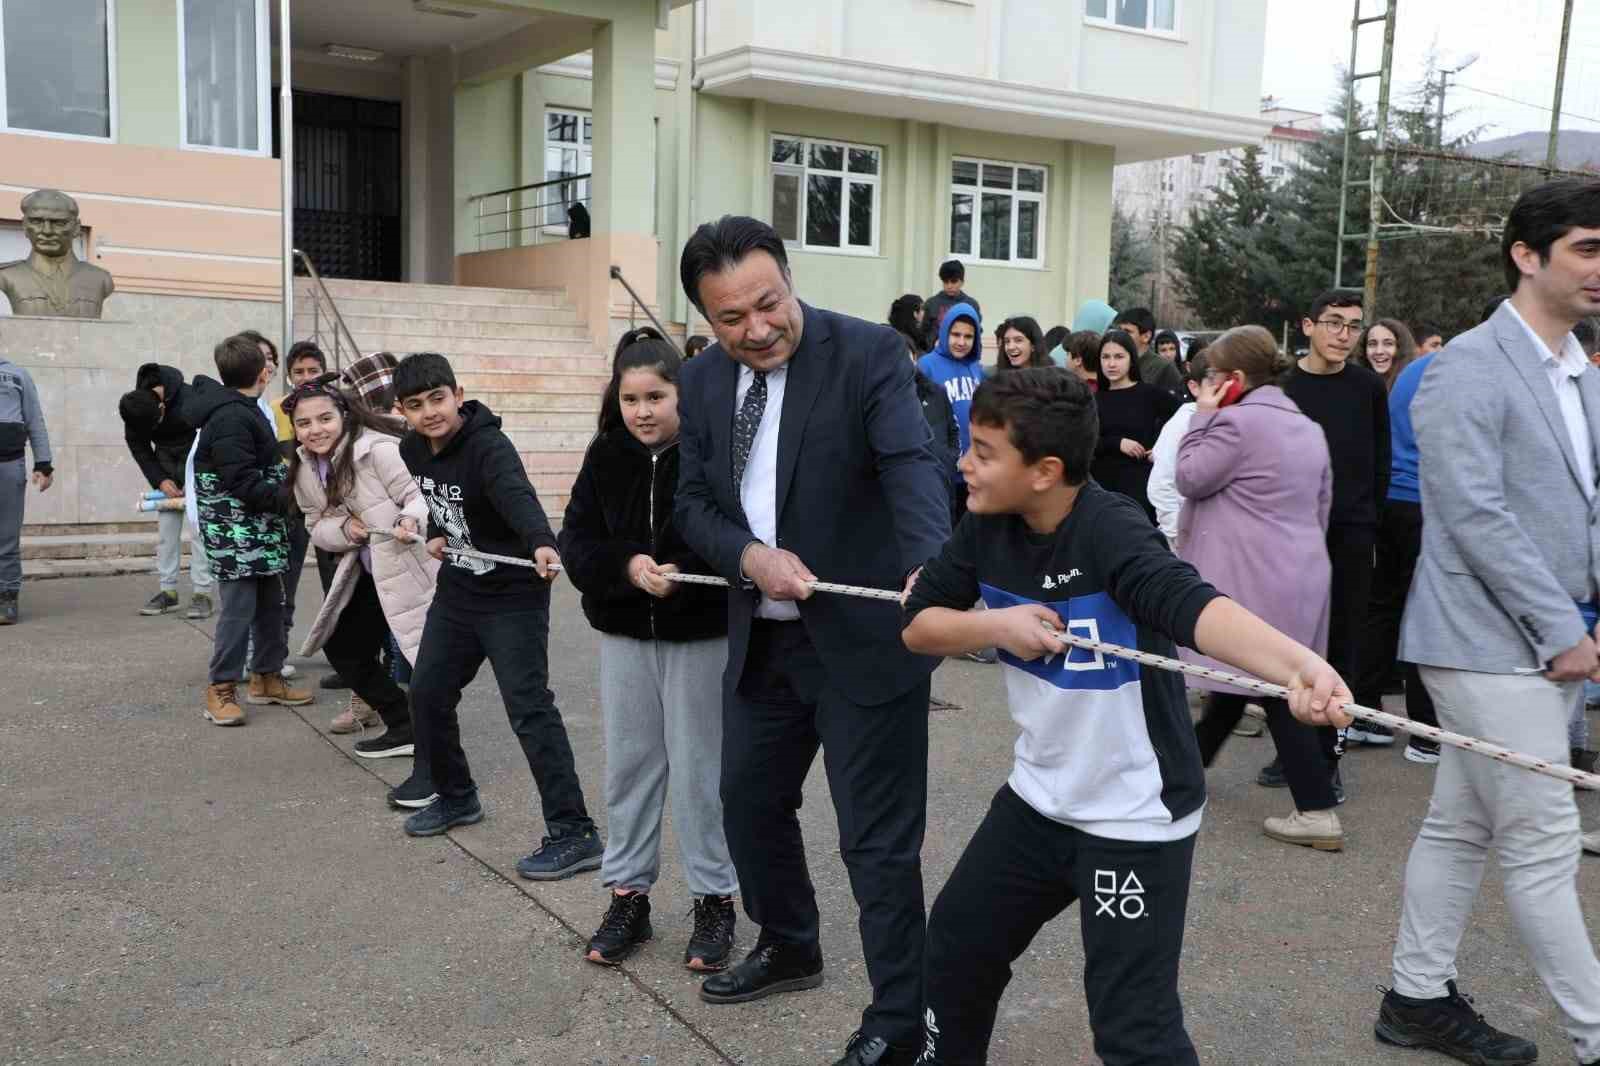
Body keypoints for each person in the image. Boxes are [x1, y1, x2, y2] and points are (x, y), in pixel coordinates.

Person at [903, 368, 1349, 1066]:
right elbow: (919, 624)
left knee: (1132, 1027)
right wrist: (998, 628)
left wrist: (1299, 667)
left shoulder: (1110, 528)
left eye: (984, 451)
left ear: (1045, 470)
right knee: (956, 949)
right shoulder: (983, 524)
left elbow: (1194, 606)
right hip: (1038, 800)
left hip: (1134, 816)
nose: (964, 463)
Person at [673, 216, 949, 1066]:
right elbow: (692, 505)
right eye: (731, 318)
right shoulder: (704, 382)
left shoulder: (868, 355)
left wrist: (929, 567)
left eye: (768, 304)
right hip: (765, 641)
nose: (756, 330)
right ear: (707, 319)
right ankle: (790, 941)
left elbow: (912, 466)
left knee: (876, 845)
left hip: (865, 645)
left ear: (790, 281)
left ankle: (904, 1024)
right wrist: (749, 556)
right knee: (749, 804)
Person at [1377, 179, 1600, 1066]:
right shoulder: (1466, 365)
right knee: (1545, 839)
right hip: (1479, 640)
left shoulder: (1581, 369)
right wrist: (1560, 629)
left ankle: (1415, 996)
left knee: (1460, 825)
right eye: (1587, 248)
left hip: (1546, 642)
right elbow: (1472, 515)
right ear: (1526, 254)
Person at [557, 327, 739, 973]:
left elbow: (731, 537)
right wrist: (628, 564)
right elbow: (576, 542)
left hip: (699, 637)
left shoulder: (713, 454)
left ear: (680, 394)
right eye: (631, 397)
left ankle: (714, 899)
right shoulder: (604, 455)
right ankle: (628, 895)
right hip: (625, 637)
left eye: (656, 395)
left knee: (699, 772)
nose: (642, 411)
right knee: (630, 767)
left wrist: (680, 572)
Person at [391, 352, 605, 879]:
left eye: (438, 399)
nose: (430, 413)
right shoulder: (411, 448)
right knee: (427, 692)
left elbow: (513, 494)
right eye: (416, 406)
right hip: (460, 587)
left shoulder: (489, 445)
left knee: (529, 709)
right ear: (403, 411)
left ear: (458, 395)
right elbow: (447, 504)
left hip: (513, 594)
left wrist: (539, 541)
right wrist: (442, 534)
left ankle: (575, 832)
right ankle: (457, 796)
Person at [1175, 326, 1345, 849]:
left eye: (1213, 377)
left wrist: (1202, 416)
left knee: (1273, 685)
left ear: (1235, 379)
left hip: (1251, 573)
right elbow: (1323, 504)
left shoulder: (1232, 424)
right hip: (1302, 569)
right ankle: (1184, 769)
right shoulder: (1308, 427)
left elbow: (1188, 476)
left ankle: (1316, 808)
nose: (1206, 385)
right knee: (1242, 682)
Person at [287, 375, 440, 805]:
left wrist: (410, 520)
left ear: (344, 415)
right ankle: (402, 723)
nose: (315, 429)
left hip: (411, 566)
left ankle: (435, 765)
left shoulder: (378, 450)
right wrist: (347, 529)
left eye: (324, 418)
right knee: (343, 647)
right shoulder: (302, 467)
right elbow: (314, 523)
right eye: (304, 423)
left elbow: (420, 494)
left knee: (423, 662)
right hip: (367, 570)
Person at [1279, 290, 1390, 760]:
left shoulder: (1367, 387)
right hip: (1292, 533)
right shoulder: (1284, 387)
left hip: (1351, 530)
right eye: (1333, 323)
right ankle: (1293, 750)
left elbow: (1379, 460)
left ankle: (1328, 754)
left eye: (1353, 326)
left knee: (1344, 639)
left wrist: (1370, 525)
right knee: (1291, 641)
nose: (1344, 335)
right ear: (1308, 326)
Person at [189, 334, 313, 725]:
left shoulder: (243, 408)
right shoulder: (230, 416)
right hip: (238, 535)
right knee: (238, 610)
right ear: (264, 372)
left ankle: (267, 678)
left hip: (260, 532)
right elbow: (240, 479)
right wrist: (288, 500)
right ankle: (221, 688)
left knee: (270, 608)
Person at [1352, 342, 1445, 767]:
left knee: (1383, 607)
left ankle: (1364, 712)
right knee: (1428, 613)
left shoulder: (1416, 369)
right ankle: (1426, 735)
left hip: (1393, 497)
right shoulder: (1464, 367)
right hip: (1427, 501)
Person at [119, 363, 215, 620]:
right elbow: (138, 445)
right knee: (166, 533)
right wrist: (160, 479)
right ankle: (168, 591)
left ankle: (202, 593)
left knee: (199, 533)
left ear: (162, 407)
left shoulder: (189, 397)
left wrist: (193, 476)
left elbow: (209, 435)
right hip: (165, 468)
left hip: (196, 464)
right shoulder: (137, 407)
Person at [1092, 329, 1181, 526]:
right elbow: (1083, 441)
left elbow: (1183, 418)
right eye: (1105, 357)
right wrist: (1117, 443)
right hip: (1101, 488)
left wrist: (1160, 447)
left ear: (1131, 359)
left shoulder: (1149, 394)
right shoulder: (1092, 401)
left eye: (1119, 356)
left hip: (1140, 489)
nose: (1111, 363)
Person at [918, 302, 986, 526]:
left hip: (974, 469)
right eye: (955, 334)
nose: (961, 342)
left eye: (968, 336)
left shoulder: (977, 369)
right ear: (945, 332)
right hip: (943, 469)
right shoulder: (927, 365)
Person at [0, 353, 52, 625]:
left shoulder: (17, 374)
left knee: (7, 537)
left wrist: (44, 464)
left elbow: (35, 421)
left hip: (9, 465)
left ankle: (7, 596)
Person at [1147, 350, 1210, 545]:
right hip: (1186, 539)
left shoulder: (1234, 418)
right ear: (1194, 387)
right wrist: (1176, 533)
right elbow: (1160, 484)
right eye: (1213, 382)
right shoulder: (1182, 423)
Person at [1113, 307, 1183, 398]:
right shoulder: (1115, 363)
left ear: (1146, 336)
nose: (1121, 336)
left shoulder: (1164, 368)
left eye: (1128, 332)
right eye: (1120, 330)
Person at [922, 259, 980, 352]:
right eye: (945, 282)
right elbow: (923, 334)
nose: (949, 286)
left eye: (953, 281)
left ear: (962, 282)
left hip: (962, 358)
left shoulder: (971, 305)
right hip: (935, 357)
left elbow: (976, 335)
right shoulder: (931, 303)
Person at [1357, 319, 1418, 391]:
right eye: (1372, 344)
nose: (1379, 351)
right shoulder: (1355, 385)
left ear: (1401, 348)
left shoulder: (1415, 388)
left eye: (1388, 344)